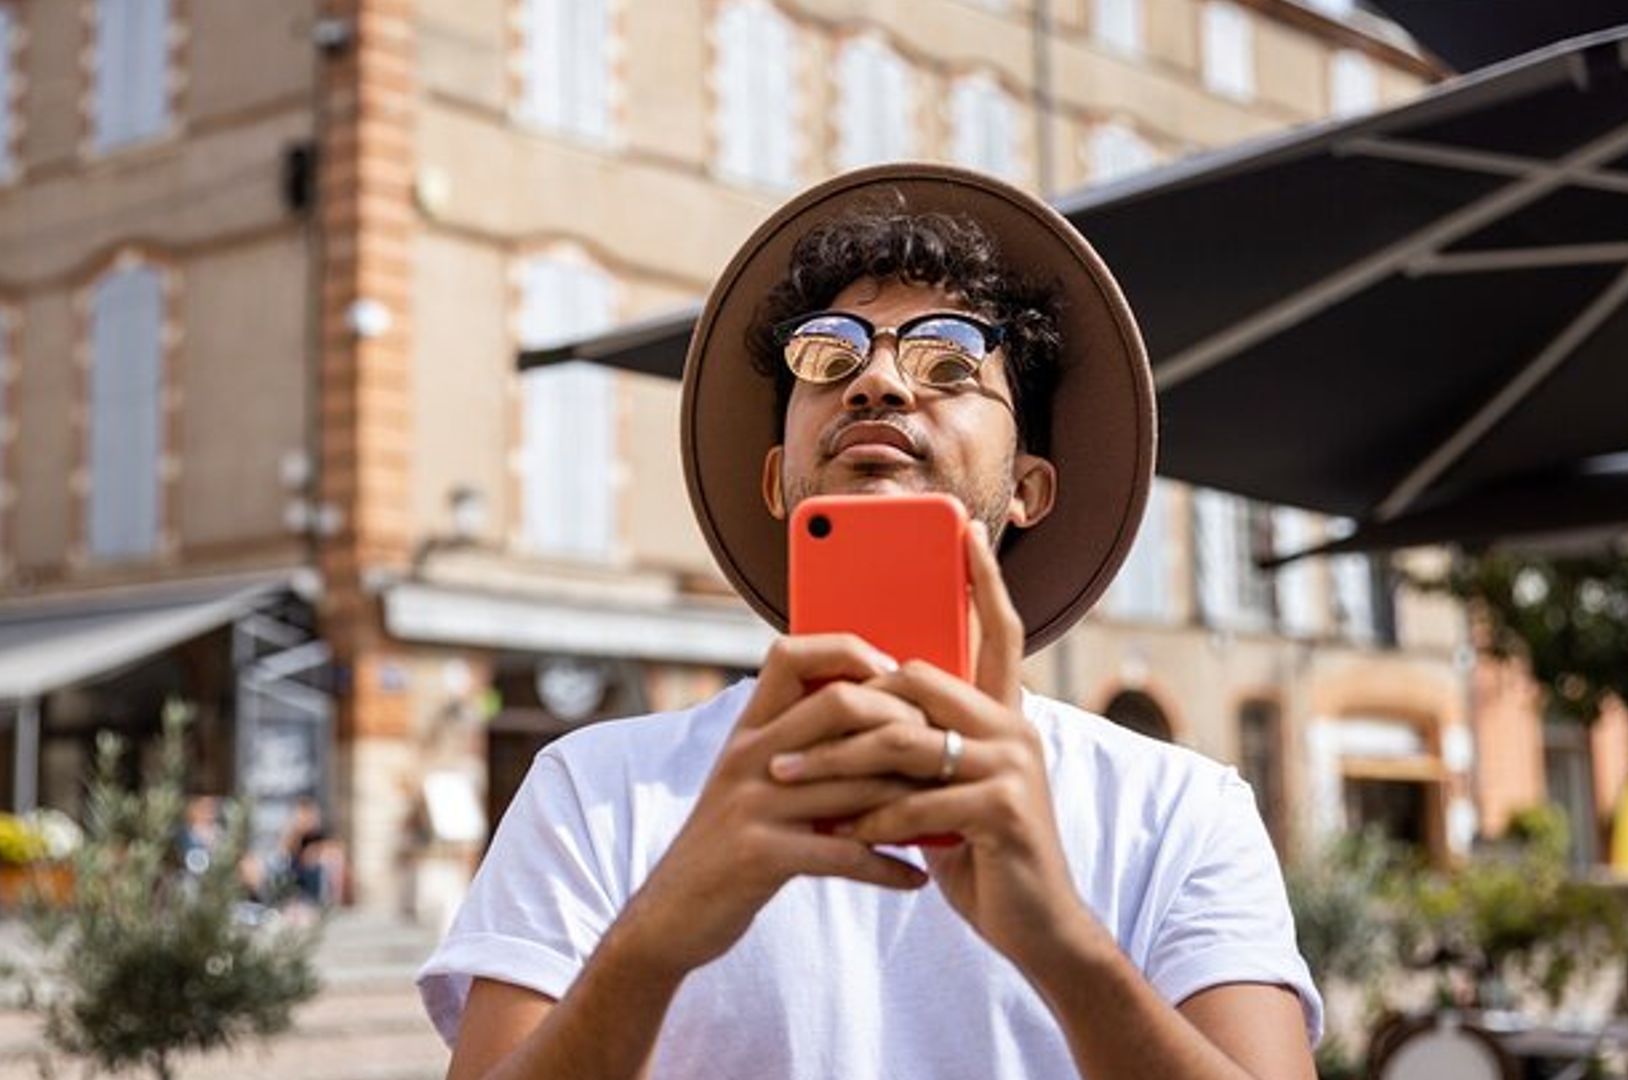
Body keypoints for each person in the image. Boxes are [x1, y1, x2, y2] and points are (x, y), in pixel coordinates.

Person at [418, 164, 1321, 1078]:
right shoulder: (595, 790)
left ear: (1030, 491)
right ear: (778, 479)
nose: (878, 381)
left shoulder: (1178, 812)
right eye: (828, 356)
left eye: (950, 362)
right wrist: (655, 942)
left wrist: (1064, 944)